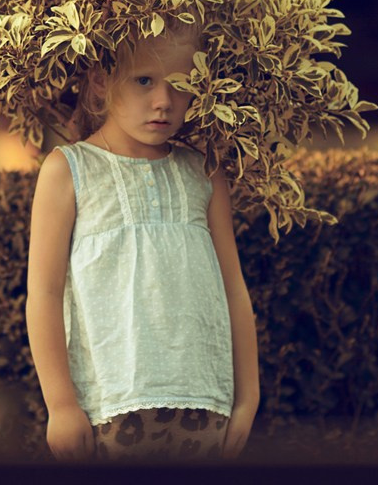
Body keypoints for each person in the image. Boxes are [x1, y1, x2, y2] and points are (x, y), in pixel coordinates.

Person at [25, 25, 260, 462]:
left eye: (182, 85)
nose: (163, 102)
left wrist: (248, 399)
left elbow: (233, 288)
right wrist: (60, 405)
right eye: (144, 80)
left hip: (206, 404)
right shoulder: (68, 170)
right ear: (100, 80)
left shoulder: (203, 172)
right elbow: (44, 293)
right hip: (109, 404)